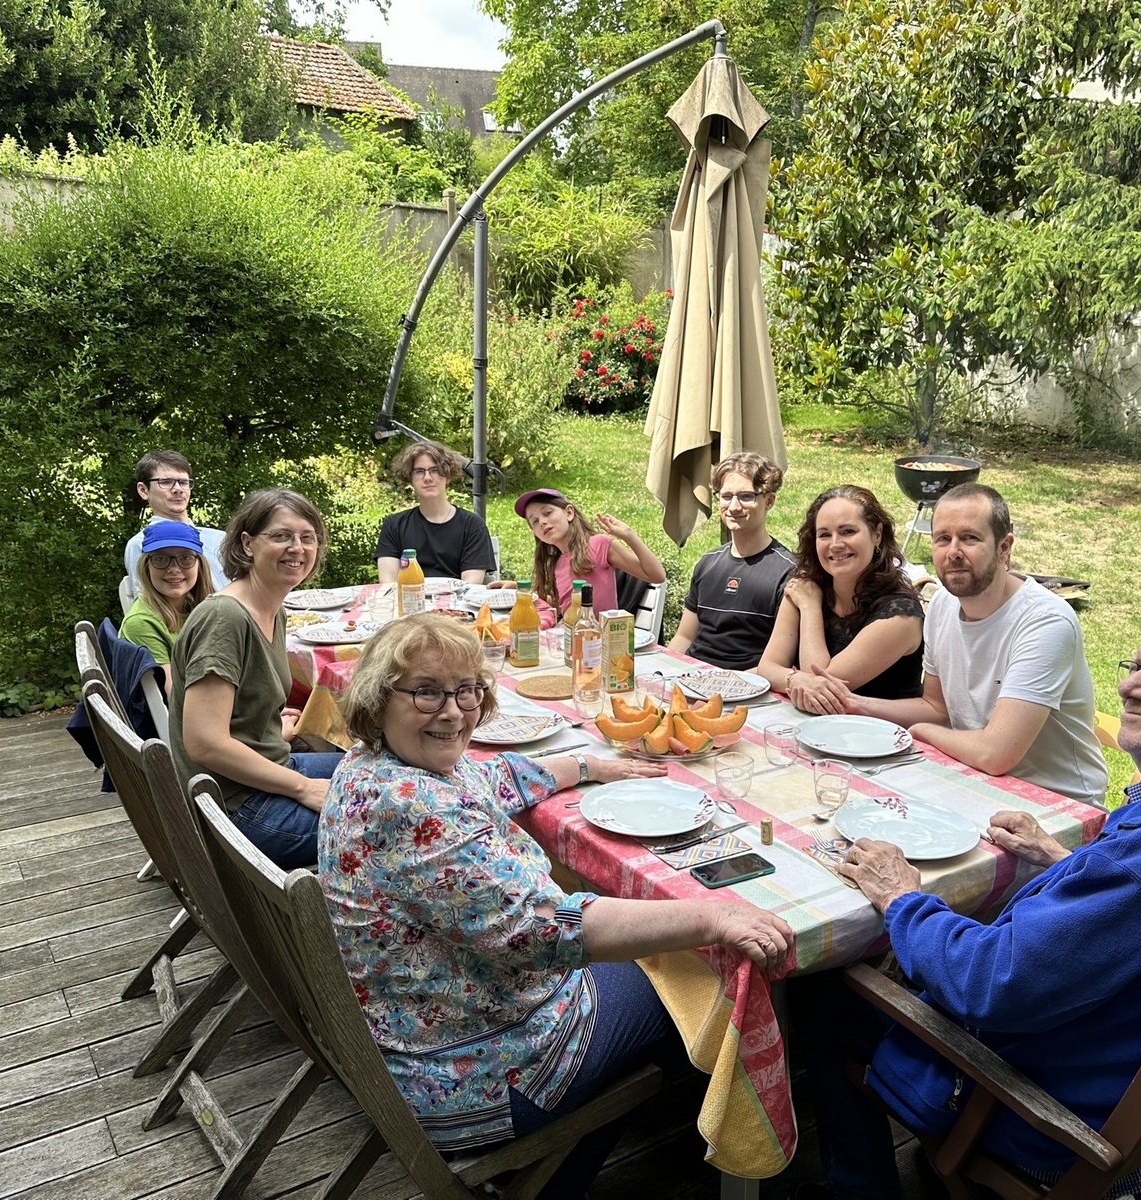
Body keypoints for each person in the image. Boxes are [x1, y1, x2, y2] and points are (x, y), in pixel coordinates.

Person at [792, 610, 1141, 1199]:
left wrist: (902, 897)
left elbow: (985, 984)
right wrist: (1063, 859)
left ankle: (861, 1190)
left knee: (825, 991)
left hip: (1047, 1117)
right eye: (1136, 666)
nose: (1128, 686)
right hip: (1140, 1095)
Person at [317, 614, 794, 1197]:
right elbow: (544, 930)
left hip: (427, 1020)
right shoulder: (412, 804)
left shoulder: (372, 764)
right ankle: (559, 1176)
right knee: (696, 980)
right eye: (427, 692)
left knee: (657, 950)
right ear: (377, 701)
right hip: (472, 1069)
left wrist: (591, 765)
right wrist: (716, 915)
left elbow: (492, 778)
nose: (454, 711)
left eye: (467, 690)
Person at [823, 483, 1108, 804]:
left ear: (1004, 548)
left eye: (969, 538)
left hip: (1056, 802)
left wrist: (920, 732)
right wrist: (853, 704)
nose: (953, 552)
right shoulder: (942, 604)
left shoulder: (1045, 621)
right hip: (970, 779)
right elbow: (936, 708)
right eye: (942, 539)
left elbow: (995, 754)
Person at [169, 489, 343, 869]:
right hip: (236, 809)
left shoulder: (272, 608)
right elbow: (204, 743)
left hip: (268, 772)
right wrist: (303, 788)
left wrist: (267, 728)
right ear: (247, 544)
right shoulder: (225, 619)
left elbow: (236, 713)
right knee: (395, 818)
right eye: (281, 536)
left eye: (308, 537)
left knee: (391, 770)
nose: (297, 547)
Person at [755, 485, 924, 713]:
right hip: (809, 724)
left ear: (877, 534)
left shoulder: (901, 614)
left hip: (878, 731)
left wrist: (811, 608)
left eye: (848, 531)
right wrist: (794, 679)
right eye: (824, 534)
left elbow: (823, 686)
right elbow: (767, 667)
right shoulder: (805, 588)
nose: (835, 544)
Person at [668, 451, 795, 670]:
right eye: (726, 496)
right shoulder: (707, 564)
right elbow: (684, 637)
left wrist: (722, 683)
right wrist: (665, 670)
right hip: (691, 674)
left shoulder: (788, 572)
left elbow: (779, 664)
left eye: (746, 496)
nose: (734, 507)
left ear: (769, 501)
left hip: (748, 682)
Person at [514, 488, 665, 615]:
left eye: (547, 513)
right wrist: (521, 590)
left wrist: (629, 535)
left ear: (569, 513)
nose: (542, 522)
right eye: (535, 521)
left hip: (604, 638)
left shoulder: (599, 544)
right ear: (535, 533)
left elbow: (657, 576)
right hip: (572, 637)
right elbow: (563, 606)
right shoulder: (556, 562)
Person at [374, 441, 497, 585]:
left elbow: (470, 585)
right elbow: (388, 583)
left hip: (456, 598)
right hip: (407, 597)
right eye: (419, 471)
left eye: (435, 470)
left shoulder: (472, 526)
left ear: (448, 476)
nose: (427, 478)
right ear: (410, 478)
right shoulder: (394, 525)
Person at [117, 520, 214, 697]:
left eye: (186, 558)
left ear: (200, 565)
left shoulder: (196, 607)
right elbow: (174, 697)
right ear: (146, 566)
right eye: (160, 559)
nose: (174, 569)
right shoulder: (141, 623)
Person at [124, 450, 230, 589]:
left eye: (183, 482)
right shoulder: (141, 544)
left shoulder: (219, 538)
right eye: (166, 482)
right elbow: (147, 599)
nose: (178, 489)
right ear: (143, 490)